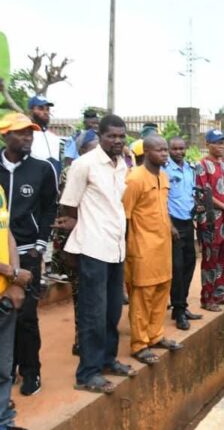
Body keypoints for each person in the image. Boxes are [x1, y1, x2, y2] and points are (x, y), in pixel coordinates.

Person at [54, 114, 137, 395]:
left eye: (121, 136)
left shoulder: (122, 165)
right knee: (93, 312)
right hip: (92, 248)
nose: (117, 141)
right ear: (99, 136)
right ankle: (87, 373)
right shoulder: (84, 165)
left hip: (116, 247)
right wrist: (72, 245)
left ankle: (107, 359)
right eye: (111, 136)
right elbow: (68, 207)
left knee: (113, 309)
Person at [0, 113, 58, 397]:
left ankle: (31, 371)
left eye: (30, 133)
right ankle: (6, 369)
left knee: (25, 315)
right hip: (0, 255)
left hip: (27, 252)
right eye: (21, 133)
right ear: (5, 135)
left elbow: (49, 207)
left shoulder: (42, 169)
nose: (27, 138)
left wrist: (40, 243)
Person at [123, 135, 182, 366]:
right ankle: (139, 344)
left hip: (162, 246)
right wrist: (126, 251)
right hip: (142, 248)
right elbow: (125, 216)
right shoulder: (135, 179)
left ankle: (155, 335)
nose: (165, 154)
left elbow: (162, 208)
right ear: (146, 152)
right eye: (160, 150)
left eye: (166, 149)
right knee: (142, 296)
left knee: (161, 291)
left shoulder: (164, 176)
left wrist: (171, 228)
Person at [50, 129, 100, 355]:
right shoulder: (72, 172)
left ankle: (91, 336)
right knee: (82, 292)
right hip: (76, 241)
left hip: (96, 240)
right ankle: (82, 338)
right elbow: (69, 210)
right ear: (81, 151)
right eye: (93, 148)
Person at [0, 177, 32, 430]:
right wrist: (12, 273)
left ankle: (3, 421)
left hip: (4, 295)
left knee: (3, 368)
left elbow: (6, 231)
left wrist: (15, 282)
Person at [163, 136, 202, 331]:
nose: (178, 152)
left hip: (188, 222)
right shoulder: (164, 170)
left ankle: (182, 305)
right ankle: (178, 311)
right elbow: (161, 200)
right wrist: (170, 225)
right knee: (177, 269)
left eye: (181, 148)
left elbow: (190, 194)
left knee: (189, 264)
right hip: (173, 224)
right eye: (175, 148)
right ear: (169, 149)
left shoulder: (189, 169)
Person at [195, 129, 224, 312]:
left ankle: (219, 293)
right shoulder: (202, 165)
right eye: (217, 142)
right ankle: (207, 298)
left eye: (223, 142)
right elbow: (205, 194)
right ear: (207, 145)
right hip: (212, 220)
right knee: (210, 259)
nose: (221, 146)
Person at [27, 95, 62, 177]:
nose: (45, 112)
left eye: (47, 109)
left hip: (53, 187)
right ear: (30, 111)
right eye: (41, 108)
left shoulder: (54, 138)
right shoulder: (24, 135)